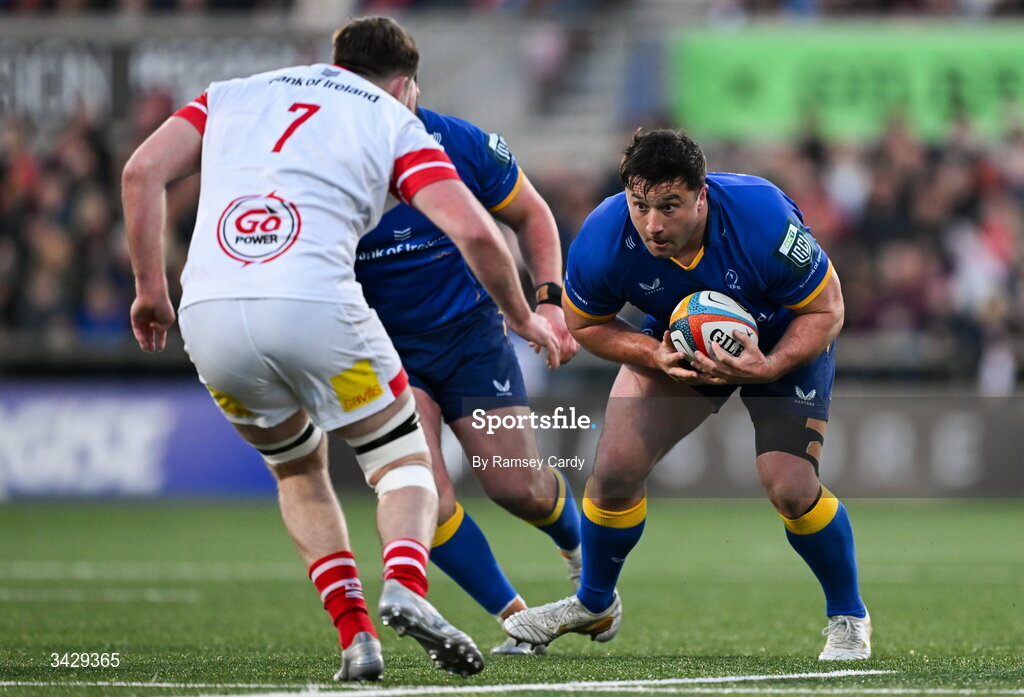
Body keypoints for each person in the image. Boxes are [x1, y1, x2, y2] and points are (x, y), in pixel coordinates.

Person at [122, 16, 559, 682]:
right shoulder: (390, 117)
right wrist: (524, 315)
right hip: (315, 307)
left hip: (208, 315)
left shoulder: (231, 93)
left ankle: (356, 637)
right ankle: (406, 584)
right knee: (404, 461)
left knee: (298, 471)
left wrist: (150, 289)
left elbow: (140, 171)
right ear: (405, 84)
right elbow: (475, 232)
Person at [504, 129, 871, 660]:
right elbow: (586, 325)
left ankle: (848, 617)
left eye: (669, 206)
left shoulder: (760, 215)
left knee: (789, 485)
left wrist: (768, 364)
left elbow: (828, 310)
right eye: (641, 205)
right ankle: (594, 603)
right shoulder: (605, 236)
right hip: (679, 344)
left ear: (702, 196)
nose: (653, 224)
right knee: (613, 471)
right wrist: (652, 354)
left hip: (784, 340)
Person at [355, 84, 582, 654]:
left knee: (517, 487)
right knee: (424, 493)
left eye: (392, 90)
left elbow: (532, 214)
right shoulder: (326, 159)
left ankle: (588, 568)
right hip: (385, 350)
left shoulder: (461, 143)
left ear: (412, 86)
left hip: (472, 339)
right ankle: (519, 620)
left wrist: (549, 302)